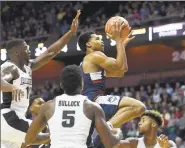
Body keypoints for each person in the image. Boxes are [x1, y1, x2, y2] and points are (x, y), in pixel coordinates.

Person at [0, 10, 81, 148]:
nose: (29, 50)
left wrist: (70, 33)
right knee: (45, 135)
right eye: (26, 48)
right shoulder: (10, 67)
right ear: (16, 52)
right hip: (8, 117)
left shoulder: (28, 66)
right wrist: (12, 87)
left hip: (17, 119)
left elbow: (50, 52)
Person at [22, 65, 139, 148]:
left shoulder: (48, 107)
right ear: (82, 84)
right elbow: (110, 143)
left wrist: (52, 136)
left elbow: (29, 139)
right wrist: (118, 133)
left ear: (62, 85)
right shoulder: (93, 107)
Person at [77, 21, 145, 145]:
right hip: (94, 99)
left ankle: (104, 129)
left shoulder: (89, 62)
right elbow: (121, 67)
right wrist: (118, 40)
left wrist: (121, 45)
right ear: (88, 44)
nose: (101, 40)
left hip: (88, 102)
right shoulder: (95, 55)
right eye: (97, 38)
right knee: (138, 107)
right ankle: (105, 129)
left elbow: (120, 72)